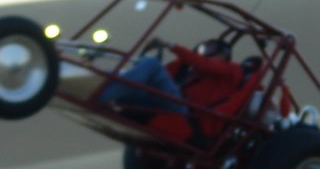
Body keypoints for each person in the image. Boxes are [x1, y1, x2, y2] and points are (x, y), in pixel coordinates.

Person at [99, 37, 246, 136]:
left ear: (224, 55)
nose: (206, 53)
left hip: (188, 116)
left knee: (152, 65)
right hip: (171, 104)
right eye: (205, 49)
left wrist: (171, 46)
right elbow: (165, 75)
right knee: (125, 71)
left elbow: (205, 64)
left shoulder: (232, 70)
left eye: (211, 50)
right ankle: (97, 88)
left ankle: (102, 97)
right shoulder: (192, 71)